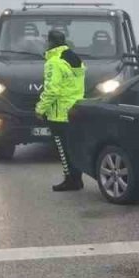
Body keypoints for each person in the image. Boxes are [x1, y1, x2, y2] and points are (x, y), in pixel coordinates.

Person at [35, 29, 87, 192]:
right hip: (75, 110)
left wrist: (40, 108)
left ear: (51, 42)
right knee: (73, 148)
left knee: (63, 149)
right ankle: (77, 179)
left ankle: (70, 180)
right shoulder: (75, 58)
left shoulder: (54, 62)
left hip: (59, 114)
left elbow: (52, 90)